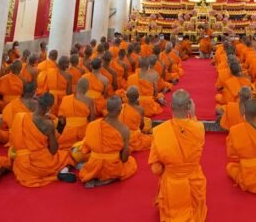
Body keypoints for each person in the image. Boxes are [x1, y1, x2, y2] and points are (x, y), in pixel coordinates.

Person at [149, 90, 207, 220]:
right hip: (193, 182)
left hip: (171, 186)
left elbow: (156, 169)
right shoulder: (199, 128)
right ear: (189, 106)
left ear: (171, 106)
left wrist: (170, 170)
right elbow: (193, 129)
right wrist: (193, 115)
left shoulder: (160, 131)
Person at [9, 92, 76, 187]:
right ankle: (63, 171)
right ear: (49, 108)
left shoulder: (20, 117)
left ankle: (58, 174)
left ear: (37, 102)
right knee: (66, 155)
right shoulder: (48, 124)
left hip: (22, 164)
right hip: (41, 164)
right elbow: (53, 150)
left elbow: (12, 139)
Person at [79, 95, 137, 188]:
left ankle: (96, 176)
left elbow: (86, 148)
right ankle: (108, 179)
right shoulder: (124, 130)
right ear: (120, 109)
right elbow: (124, 158)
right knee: (131, 163)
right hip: (111, 166)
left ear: (107, 108)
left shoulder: (93, 125)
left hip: (93, 165)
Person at [58, 77, 95, 148]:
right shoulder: (89, 100)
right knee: (82, 149)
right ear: (87, 88)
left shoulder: (66, 99)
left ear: (77, 86)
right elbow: (92, 118)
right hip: (83, 131)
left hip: (68, 131)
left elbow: (62, 120)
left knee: (65, 148)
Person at [119, 86, 154, 152]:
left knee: (147, 121)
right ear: (138, 96)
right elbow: (141, 126)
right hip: (134, 138)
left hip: (122, 135)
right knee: (152, 138)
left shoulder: (122, 107)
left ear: (126, 96)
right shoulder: (140, 109)